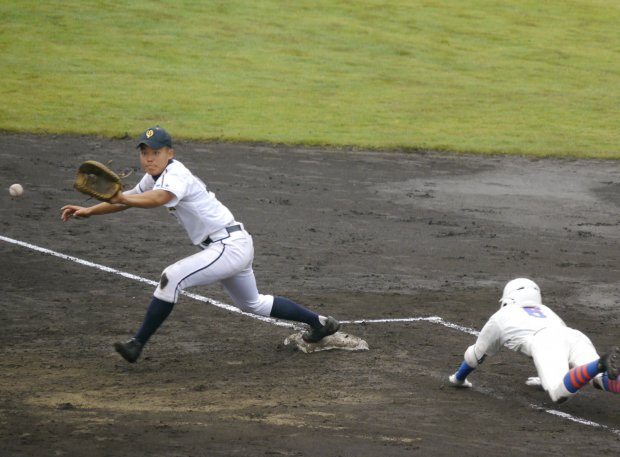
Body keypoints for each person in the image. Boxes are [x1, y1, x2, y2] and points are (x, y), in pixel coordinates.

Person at [61, 125, 340, 363]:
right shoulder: (154, 176)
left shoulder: (176, 175)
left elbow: (156, 199)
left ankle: (136, 345)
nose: (149, 158)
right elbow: (131, 196)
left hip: (228, 246)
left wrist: (120, 198)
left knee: (172, 277)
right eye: (144, 152)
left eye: (155, 152)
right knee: (252, 303)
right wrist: (90, 210)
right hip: (231, 244)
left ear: (169, 153)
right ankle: (320, 323)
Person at [448, 277, 620, 403]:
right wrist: (542, 377)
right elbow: (563, 352)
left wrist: (459, 378)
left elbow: (474, 356)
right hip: (574, 335)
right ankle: (599, 367)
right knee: (598, 379)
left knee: (559, 393)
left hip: (546, 342)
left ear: (509, 298)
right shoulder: (547, 311)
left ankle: (600, 362)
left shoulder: (501, 316)